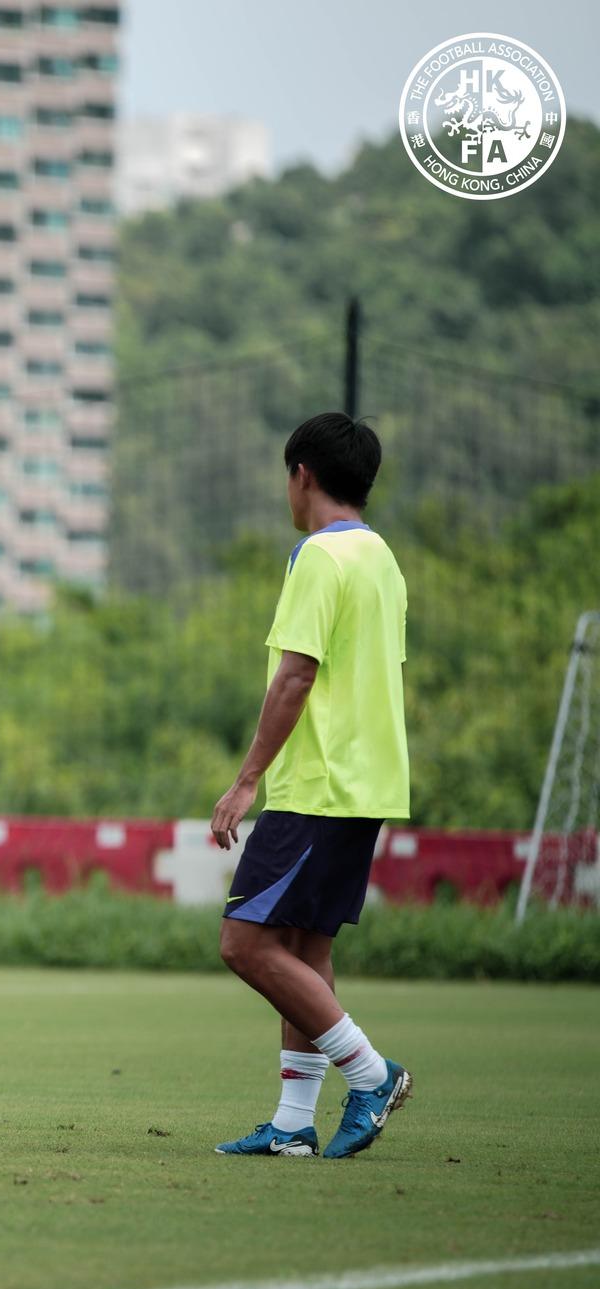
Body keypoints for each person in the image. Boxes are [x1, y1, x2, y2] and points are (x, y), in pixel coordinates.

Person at [210, 412, 412, 1160]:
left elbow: (297, 674)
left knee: (245, 942)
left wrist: (244, 782)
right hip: (367, 782)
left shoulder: (318, 558)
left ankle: (371, 1072)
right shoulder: (382, 557)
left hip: (319, 785)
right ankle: (294, 1122)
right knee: (303, 946)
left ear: (302, 476)